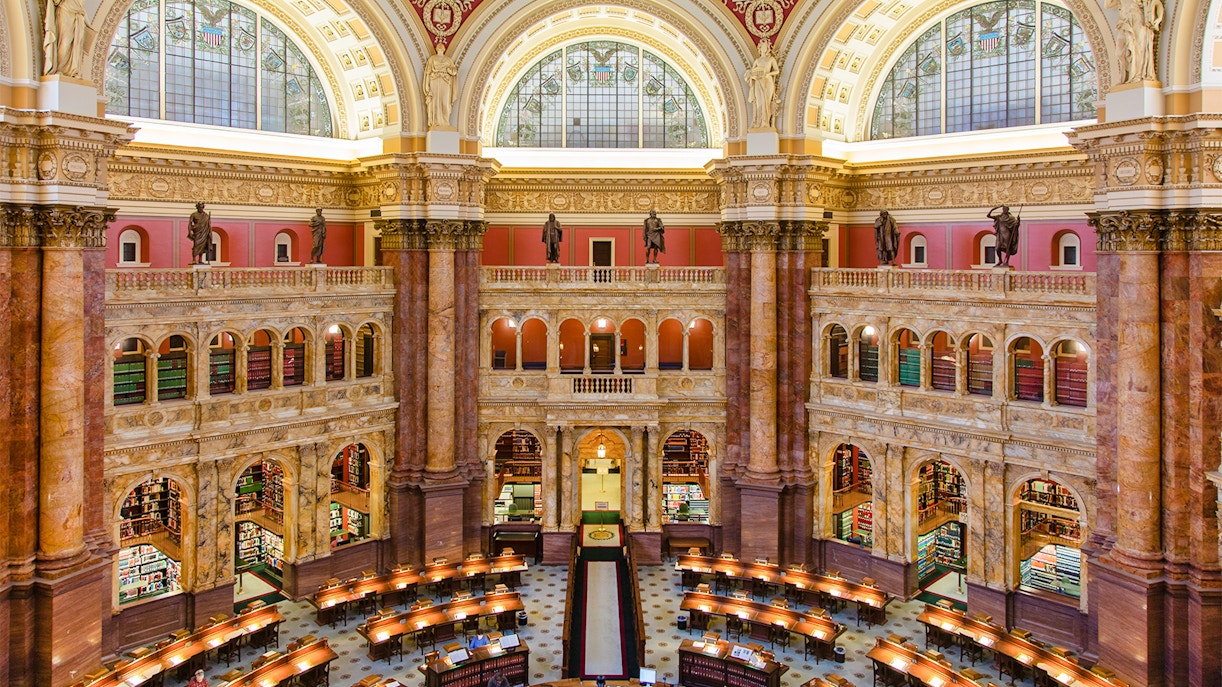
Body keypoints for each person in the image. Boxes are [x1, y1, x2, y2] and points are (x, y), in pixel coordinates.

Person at [43, 0, 86, 78]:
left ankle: (73, 70)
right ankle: (61, 69)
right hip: (65, 9)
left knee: (76, 44)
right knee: (65, 42)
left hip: (78, 12)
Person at [745, 38, 780, 129]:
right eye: (762, 47)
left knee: (766, 102)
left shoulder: (771, 59)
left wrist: (769, 74)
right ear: (760, 48)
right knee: (759, 102)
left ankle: (766, 123)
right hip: (758, 82)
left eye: (765, 47)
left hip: (768, 82)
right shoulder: (757, 61)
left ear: (768, 48)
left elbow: (776, 71)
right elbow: (752, 72)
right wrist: (753, 77)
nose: (764, 49)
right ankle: (758, 123)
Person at [424, 43, 459, 128]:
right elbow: (428, 73)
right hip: (434, 81)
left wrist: (448, 70)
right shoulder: (432, 59)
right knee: (435, 101)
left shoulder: (448, 60)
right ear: (436, 49)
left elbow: (454, 71)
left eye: (441, 47)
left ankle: (445, 121)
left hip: (445, 82)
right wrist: (427, 87)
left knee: (445, 101)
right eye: (438, 47)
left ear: (444, 49)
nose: (440, 48)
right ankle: (435, 121)